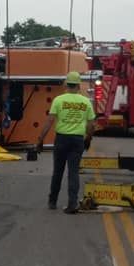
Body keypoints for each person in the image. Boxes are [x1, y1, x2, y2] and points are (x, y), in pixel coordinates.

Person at [37, 70, 95, 214]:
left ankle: (52, 201)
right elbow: (91, 125)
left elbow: (50, 121)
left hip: (62, 139)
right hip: (77, 140)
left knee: (58, 171)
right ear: (79, 85)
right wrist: (88, 138)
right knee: (73, 172)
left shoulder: (59, 100)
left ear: (66, 84)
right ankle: (72, 204)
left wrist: (40, 139)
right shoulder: (85, 101)